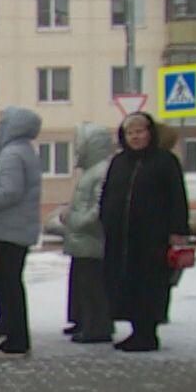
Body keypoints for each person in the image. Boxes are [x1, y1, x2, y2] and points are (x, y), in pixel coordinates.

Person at [101, 112, 190, 351]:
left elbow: (177, 198)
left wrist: (177, 230)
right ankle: (135, 329)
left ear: (150, 133)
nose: (135, 137)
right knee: (124, 282)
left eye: (140, 132)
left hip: (152, 238)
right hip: (121, 238)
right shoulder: (119, 162)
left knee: (149, 284)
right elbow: (108, 194)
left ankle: (147, 333)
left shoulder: (164, 161)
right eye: (130, 133)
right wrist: (105, 219)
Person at [0, 106, 43, 356]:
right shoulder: (25, 151)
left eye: (3, 124)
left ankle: (15, 337)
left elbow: (10, 191)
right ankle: (13, 333)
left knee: (8, 285)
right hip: (17, 228)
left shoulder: (11, 155)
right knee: (10, 283)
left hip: (9, 229)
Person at [62, 123, 116, 344]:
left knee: (93, 285)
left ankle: (97, 327)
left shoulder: (100, 172)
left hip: (90, 238)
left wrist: (78, 221)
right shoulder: (90, 172)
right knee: (83, 283)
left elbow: (98, 206)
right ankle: (85, 321)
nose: (77, 152)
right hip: (83, 238)